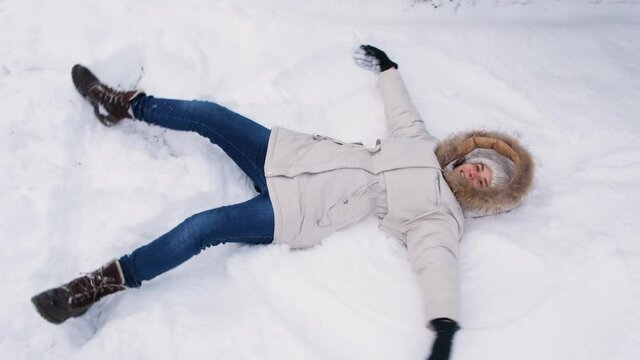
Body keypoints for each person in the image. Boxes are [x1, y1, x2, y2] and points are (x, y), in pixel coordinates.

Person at [31, 45, 534, 360]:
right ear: (470, 153)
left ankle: (99, 284)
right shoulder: (425, 145)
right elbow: (402, 111)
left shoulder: (441, 218)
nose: (474, 172)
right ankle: (125, 104)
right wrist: (389, 69)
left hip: (297, 212)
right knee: (209, 114)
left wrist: (443, 326)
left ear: (484, 194)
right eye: (479, 162)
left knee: (204, 227)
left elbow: (437, 266)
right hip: (288, 154)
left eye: (484, 178)